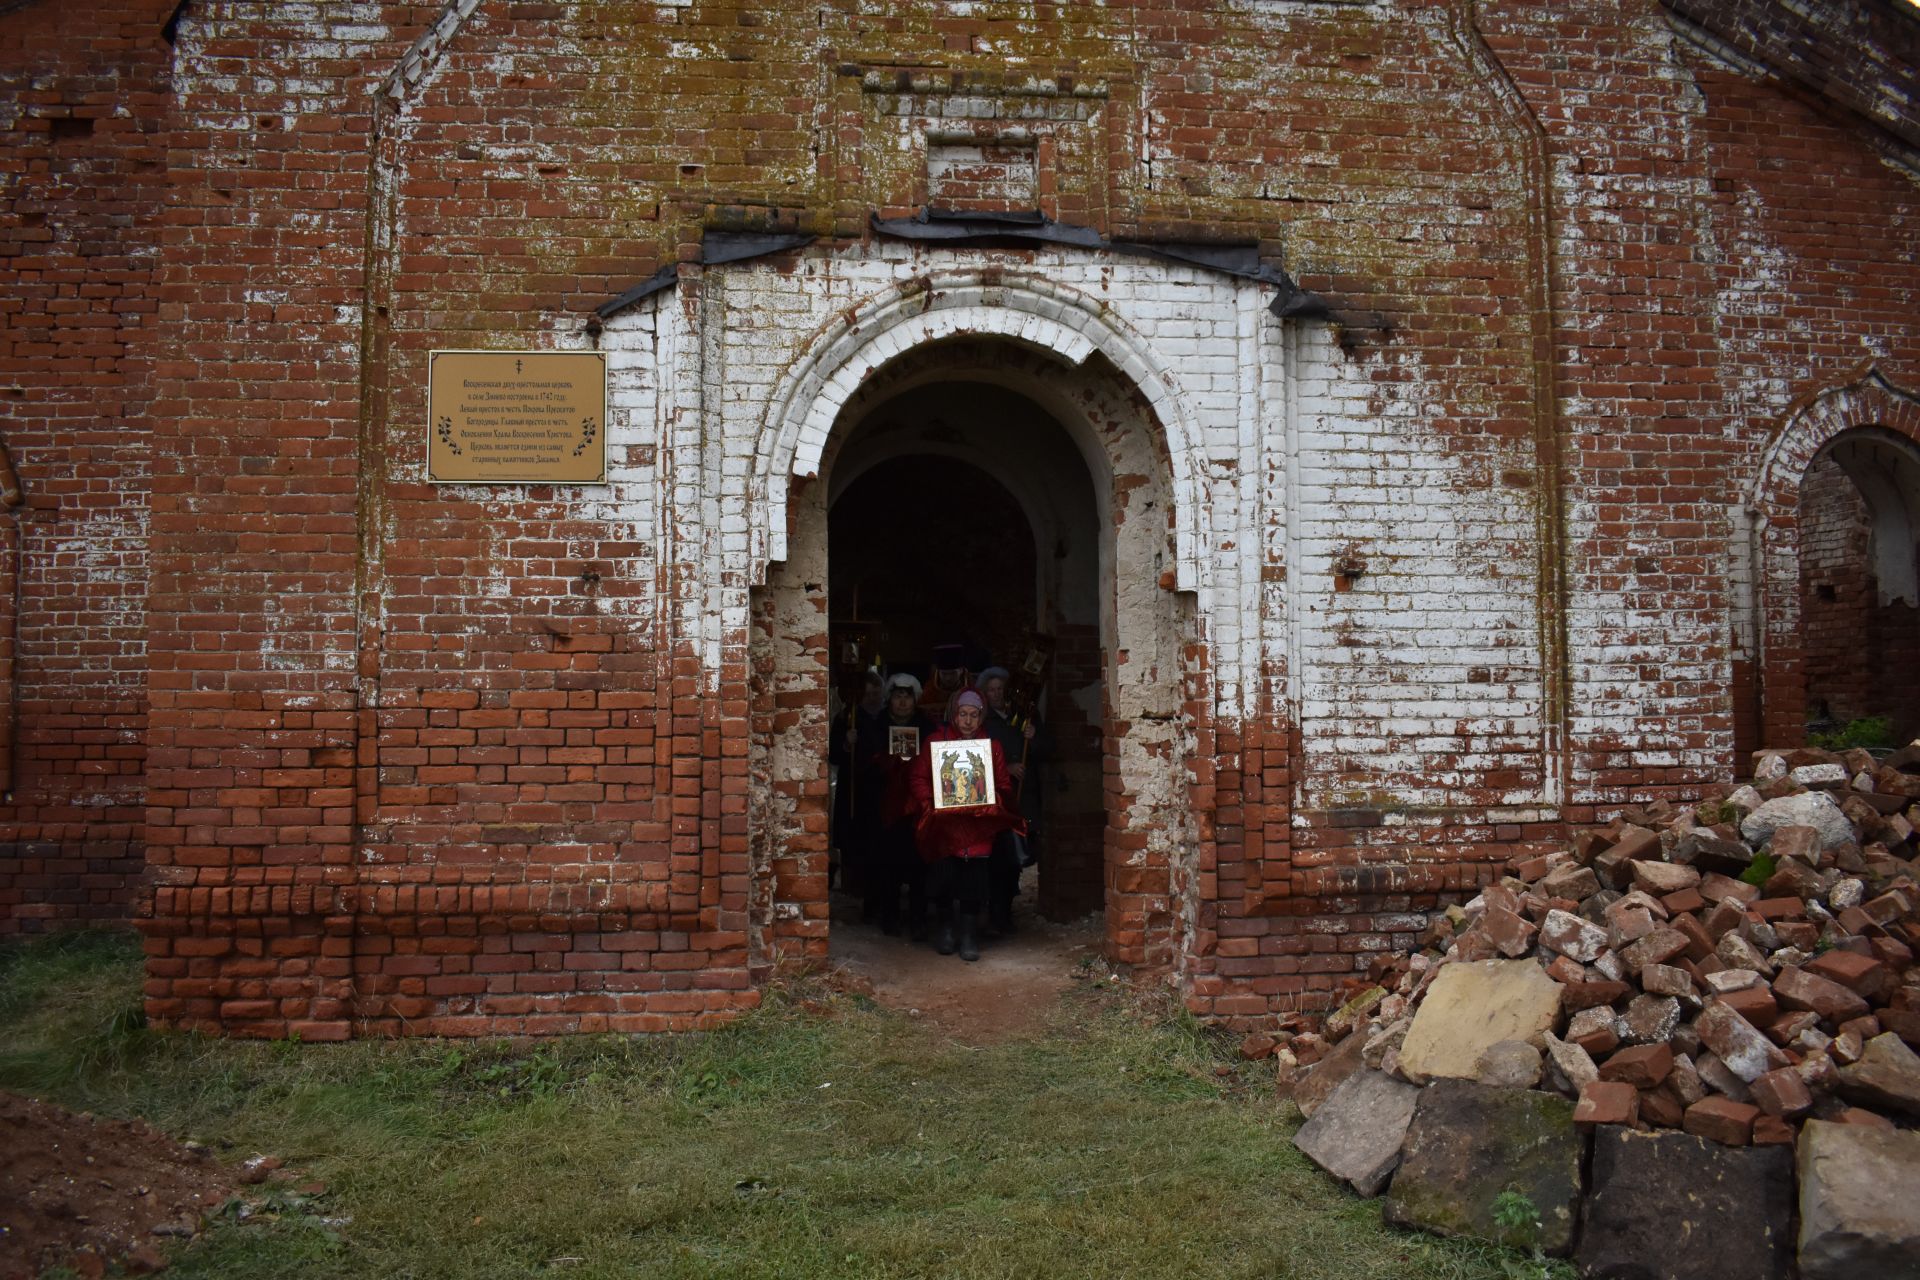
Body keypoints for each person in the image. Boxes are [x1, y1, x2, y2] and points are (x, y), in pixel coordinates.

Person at [910, 689, 1024, 962]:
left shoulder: (991, 746)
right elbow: (918, 778)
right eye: (963, 714)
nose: (968, 721)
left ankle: (969, 934)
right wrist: (931, 803)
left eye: (974, 715)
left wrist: (988, 801)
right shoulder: (935, 742)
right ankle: (947, 929)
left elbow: (1003, 785)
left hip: (977, 827)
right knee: (944, 876)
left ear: (981, 716)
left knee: (973, 880)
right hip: (945, 825)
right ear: (954, 714)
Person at [861, 672, 934, 937]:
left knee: (918, 865)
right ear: (889, 699)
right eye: (897, 697)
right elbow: (866, 766)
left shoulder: (926, 727)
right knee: (887, 864)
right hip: (886, 807)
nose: (903, 703)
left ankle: (918, 919)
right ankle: (889, 916)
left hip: (916, 807)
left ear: (915, 701)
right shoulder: (876, 726)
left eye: (907, 697)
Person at [977, 665, 1043, 934]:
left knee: (1016, 856)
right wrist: (1006, 769)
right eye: (990, 690)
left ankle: (1005, 911)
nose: (995, 694)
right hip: (996, 797)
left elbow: (1048, 749)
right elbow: (978, 757)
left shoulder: (1024, 716)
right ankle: (995, 912)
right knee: (997, 856)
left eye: (999, 689)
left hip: (1021, 797)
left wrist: (1034, 737)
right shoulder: (983, 721)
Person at [831, 669, 887, 896]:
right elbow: (834, 755)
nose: (874, 699)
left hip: (881, 787)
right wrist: (846, 743)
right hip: (854, 786)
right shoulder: (847, 718)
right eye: (869, 694)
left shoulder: (885, 718)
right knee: (854, 838)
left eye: (877, 694)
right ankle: (853, 886)